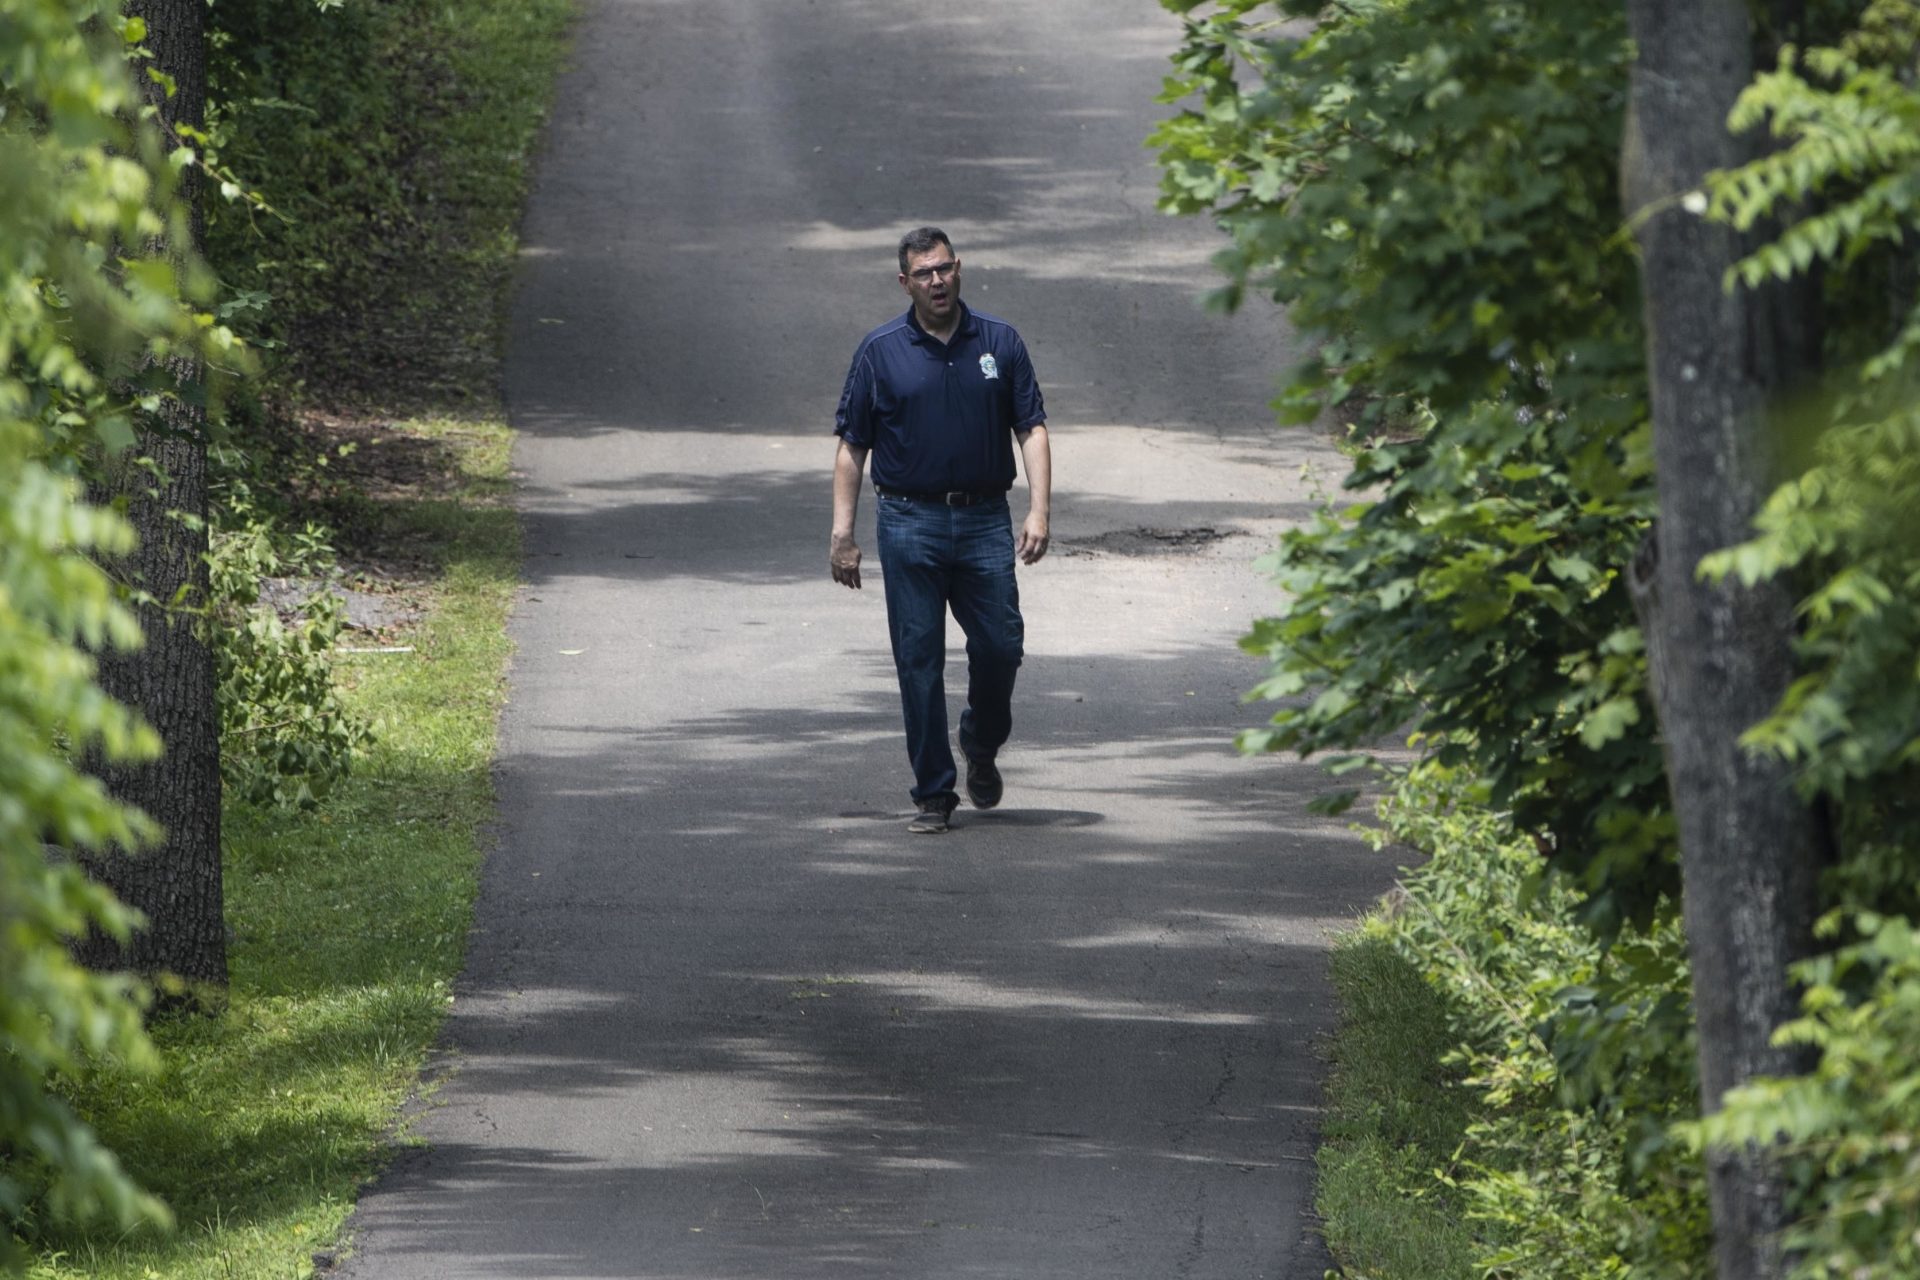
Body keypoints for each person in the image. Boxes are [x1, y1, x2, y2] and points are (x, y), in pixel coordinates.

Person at [829, 226, 1052, 834]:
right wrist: (842, 534)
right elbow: (853, 446)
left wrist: (1038, 510)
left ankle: (979, 744)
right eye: (924, 273)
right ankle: (933, 794)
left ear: (960, 269)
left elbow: (1030, 427)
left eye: (945, 269)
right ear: (905, 282)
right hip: (908, 521)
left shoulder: (1000, 342)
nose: (937, 282)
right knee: (918, 661)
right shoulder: (880, 352)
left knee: (1002, 646)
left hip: (983, 520)